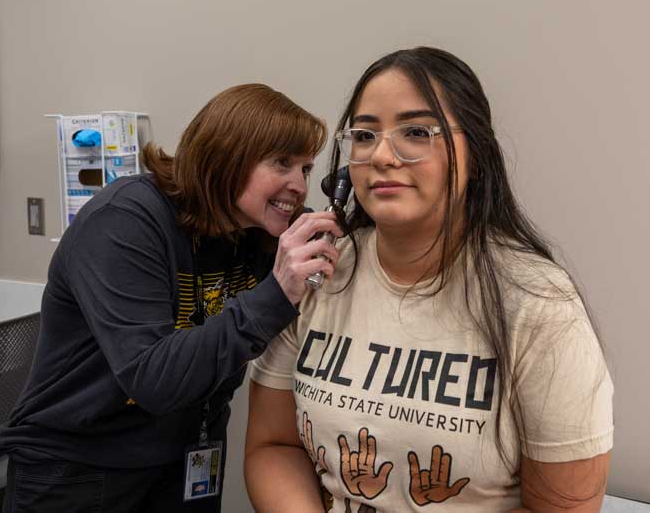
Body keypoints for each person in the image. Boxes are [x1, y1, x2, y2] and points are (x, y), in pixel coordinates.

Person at [245, 48, 614, 512]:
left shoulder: (538, 302)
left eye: (416, 132)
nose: (381, 155)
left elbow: (564, 508)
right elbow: (272, 447)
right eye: (364, 135)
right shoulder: (317, 273)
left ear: (474, 155)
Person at [0, 83, 342, 512]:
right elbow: (152, 380)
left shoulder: (260, 233)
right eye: (282, 163)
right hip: (79, 467)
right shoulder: (124, 221)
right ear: (226, 156)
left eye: (306, 169)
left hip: (185, 458)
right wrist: (277, 292)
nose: (298, 185)